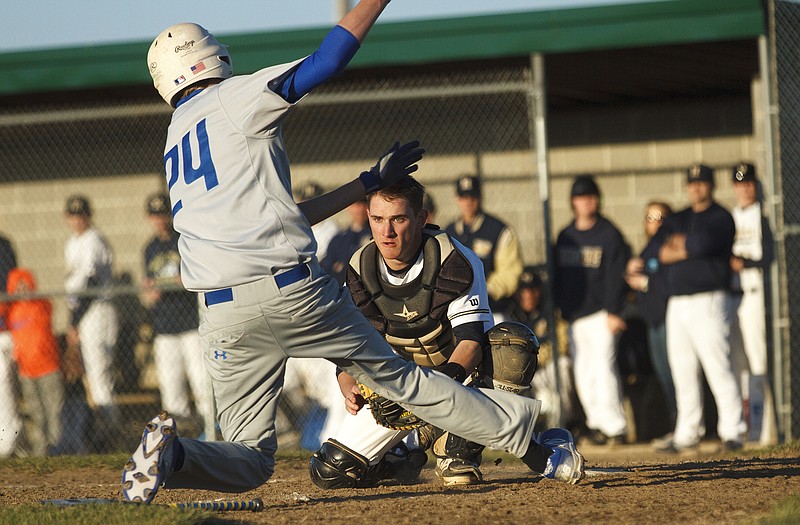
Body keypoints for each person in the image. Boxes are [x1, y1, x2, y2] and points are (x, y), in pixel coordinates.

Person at [123, 3, 584, 504]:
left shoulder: (177, 136)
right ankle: (542, 455)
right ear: (211, 59)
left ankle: (172, 458)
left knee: (250, 456)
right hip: (290, 291)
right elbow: (328, 59)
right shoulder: (236, 97)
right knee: (403, 382)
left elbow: (283, 216)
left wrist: (367, 184)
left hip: (221, 313)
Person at [311, 177, 566, 487]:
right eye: (377, 219)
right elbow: (350, 343)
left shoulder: (453, 261)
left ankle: (459, 450)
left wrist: (434, 392)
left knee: (512, 346)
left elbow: (470, 344)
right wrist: (347, 382)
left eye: (398, 219)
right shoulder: (360, 266)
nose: (386, 231)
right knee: (331, 471)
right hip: (404, 386)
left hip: (459, 378)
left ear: (421, 218)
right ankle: (408, 451)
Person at [644, 164, 746, 452]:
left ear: (711, 186)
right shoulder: (677, 217)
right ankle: (687, 433)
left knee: (718, 365)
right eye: (692, 183)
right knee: (682, 369)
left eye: (701, 183)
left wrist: (676, 249)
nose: (696, 187)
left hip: (709, 300)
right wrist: (680, 247)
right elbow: (652, 252)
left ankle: (733, 430)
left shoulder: (720, 217)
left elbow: (702, 245)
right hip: (678, 303)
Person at [553, 174, 630, 446]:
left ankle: (616, 426)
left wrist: (615, 310)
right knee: (583, 372)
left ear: (597, 200)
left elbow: (615, 275)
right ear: (573, 202)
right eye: (580, 197)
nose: (586, 202)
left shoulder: (609, 233)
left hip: (602, 313)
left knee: (603, 367)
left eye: (590, 197)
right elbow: (557, 278)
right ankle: (597, 424)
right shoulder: (566, 236)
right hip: (575, 316)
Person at [142, 192, 212, 438]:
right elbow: (150, 285)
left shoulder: (183, 241)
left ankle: (211, 430)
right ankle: (180, 436)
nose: (159, 220)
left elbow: (193, 277)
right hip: (164, 326)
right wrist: (152, 290)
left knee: (201, 380)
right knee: (171, 387)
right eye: (155, 215)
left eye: (163, 214)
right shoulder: (150, 249)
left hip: (190, 322)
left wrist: (177, 281)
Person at [63, 194, 120, 449]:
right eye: (73, 215)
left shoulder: (93, 240)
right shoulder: (72, 243)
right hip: (83, 314)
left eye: (81, 214)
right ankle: (105, 430)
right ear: (68, 218)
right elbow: (73, 292)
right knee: (90, 378)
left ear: (89, 215)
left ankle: (112, 433)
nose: (77, 220)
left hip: (97, 311)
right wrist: (72, 322)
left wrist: (74, 321)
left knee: (99, 375)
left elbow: (90, 282)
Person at [728, 162, 776, 445]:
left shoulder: (764, 216)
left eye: (749, 183)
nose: (745, 188)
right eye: (740, 183)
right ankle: (748, 429)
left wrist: (743, 262)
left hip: (755, 294)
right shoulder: (730, 217)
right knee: (738, 366)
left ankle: (764, 431)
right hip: (733, 297)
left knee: (759, 363)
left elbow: (769, 257)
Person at [625, 201, 677, 439]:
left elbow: (667, 281)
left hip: (670, 319)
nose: (654, 222)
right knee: (664, 375)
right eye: (649, 217)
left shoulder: (671, 245)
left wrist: (645, 282)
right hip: (653, 321)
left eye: (660, 216)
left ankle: (683, 426)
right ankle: (677, 425)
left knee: (675, 375)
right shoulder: (648, 249)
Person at [505, 266, 577, 431]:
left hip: (545, 368)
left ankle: (566, 424)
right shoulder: (510, 314)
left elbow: (562, 344)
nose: (528, 296)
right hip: (522, 372)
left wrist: (536, 356)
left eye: (532, 290)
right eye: (524, 291)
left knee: (563, 365)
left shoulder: (551, 311)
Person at [445, 175, 523, 320]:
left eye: (472, 196)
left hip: (492, 310)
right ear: (456, 198)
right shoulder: (449, 233)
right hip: (456, 312)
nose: (468, 202)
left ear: (480, 197)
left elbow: (510, 273)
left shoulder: (498, 230)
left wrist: (483, 289)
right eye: (464, 197)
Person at [6, 268, 64, 456]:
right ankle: (41, 453)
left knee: (53, 411)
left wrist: (30, 290)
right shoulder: (11, 310)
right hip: (26, 372)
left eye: (25, 285)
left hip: (48, 368)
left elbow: (46, 303)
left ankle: (57, 450)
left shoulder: (41, 304)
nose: (22, 290)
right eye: (17, 286)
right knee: (35, 413)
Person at [0, 235, 20, 458]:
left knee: (3, 386)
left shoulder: (3, 246)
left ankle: (8, 444)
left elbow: (9, 288)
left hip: (4, 330)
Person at [321, 197, 371, 284]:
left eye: (363, 204)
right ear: (349, 207)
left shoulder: (376, 235)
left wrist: (342, 267)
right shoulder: (339, 239)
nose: (359, 209)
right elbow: (327, 268)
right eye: (356, 205)